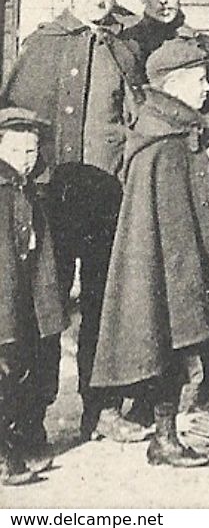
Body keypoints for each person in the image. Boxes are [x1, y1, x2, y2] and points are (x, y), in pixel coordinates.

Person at [0, 0, 146, 444]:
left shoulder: (126, 48)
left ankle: (100, 408)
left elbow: (139, 117)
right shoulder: (43, 46)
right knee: (46, 309)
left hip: (109, 202)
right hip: (52, 204)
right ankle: (31, 418)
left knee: (106, 309)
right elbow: (13, 123)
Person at [92, 38, 209, 469]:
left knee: (173, 348)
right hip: (171, 270)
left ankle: (169, 435)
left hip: (180, 266)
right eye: (199, 79)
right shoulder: (165, 144)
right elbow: (169, 228)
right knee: (167, 348)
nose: (208, 87)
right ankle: (165, 439)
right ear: (172, 85)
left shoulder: (174, 133)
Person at [122, 0, 209, 420]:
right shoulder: (128, 47)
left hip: (200, 179)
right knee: (146, 291)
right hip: (152, 182)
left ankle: (206, 397)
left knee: (206, 286)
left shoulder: (205, 48)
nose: (164, 0)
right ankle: (138, 401)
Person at [0, 109, 64, 484]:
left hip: (27, 298)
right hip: (5, 300)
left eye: (32, 150)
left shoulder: (32, 190)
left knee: (31, 369)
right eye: (17, 151)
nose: (26, 159)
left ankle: (26, 437)